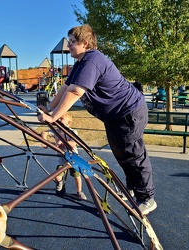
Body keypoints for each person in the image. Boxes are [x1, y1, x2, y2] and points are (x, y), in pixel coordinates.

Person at [37, 25, 156, 215]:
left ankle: (147, 198)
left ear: (85, 43)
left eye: (72, 43)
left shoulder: (92, 61)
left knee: (133, 153)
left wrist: (53, 116)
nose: (69, 46)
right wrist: (50, 108)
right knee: (121, 152)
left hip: (129, 111)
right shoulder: (80, 64)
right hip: (115, 115)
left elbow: (76, 92)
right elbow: (66, 88)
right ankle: (133, 187)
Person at [41, 113, 87, 200]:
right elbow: (44, 132)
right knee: (57, 176)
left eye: (61, 119)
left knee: (77, 176)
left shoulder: (72, 132)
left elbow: (73, 143)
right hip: (62, 159)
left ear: (68, 122)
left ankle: (79, 192)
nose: (58, 120)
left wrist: (62, 142)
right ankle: (61, 184)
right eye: (58, 118)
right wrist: (44, 141)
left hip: (73, 159)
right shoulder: (56, 131)